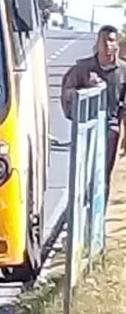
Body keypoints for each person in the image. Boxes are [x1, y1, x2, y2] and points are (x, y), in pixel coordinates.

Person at [60, 25, 126, 194]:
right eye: (102, 40)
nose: (106, 45)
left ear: (116, 44)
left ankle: (100, 212)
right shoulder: (83, 68)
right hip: (87, 128)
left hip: (111, 129)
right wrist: (84, 93)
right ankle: (81, 206)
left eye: (110, 40)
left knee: (104, 175)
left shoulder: (123, 71)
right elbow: (67, 92)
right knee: (83, 174)